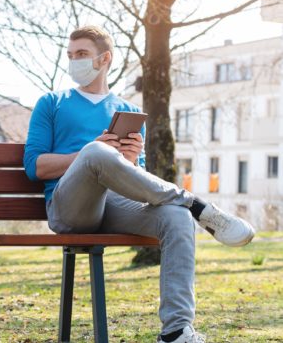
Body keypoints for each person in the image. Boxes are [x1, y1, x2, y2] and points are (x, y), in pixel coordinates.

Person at [24, 25, 254, 343]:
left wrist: (132, 161)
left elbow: (139, 182)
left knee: (175, 216)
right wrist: (89, 153)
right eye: (70, 55)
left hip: (116, 206)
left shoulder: (129, 112)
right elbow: (35, 167)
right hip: (69, 210)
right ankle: (195, 202)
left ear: (104, 59)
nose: (74, 60)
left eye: (82, 54)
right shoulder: (52, 103)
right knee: (95, 151)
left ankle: (175, 331)